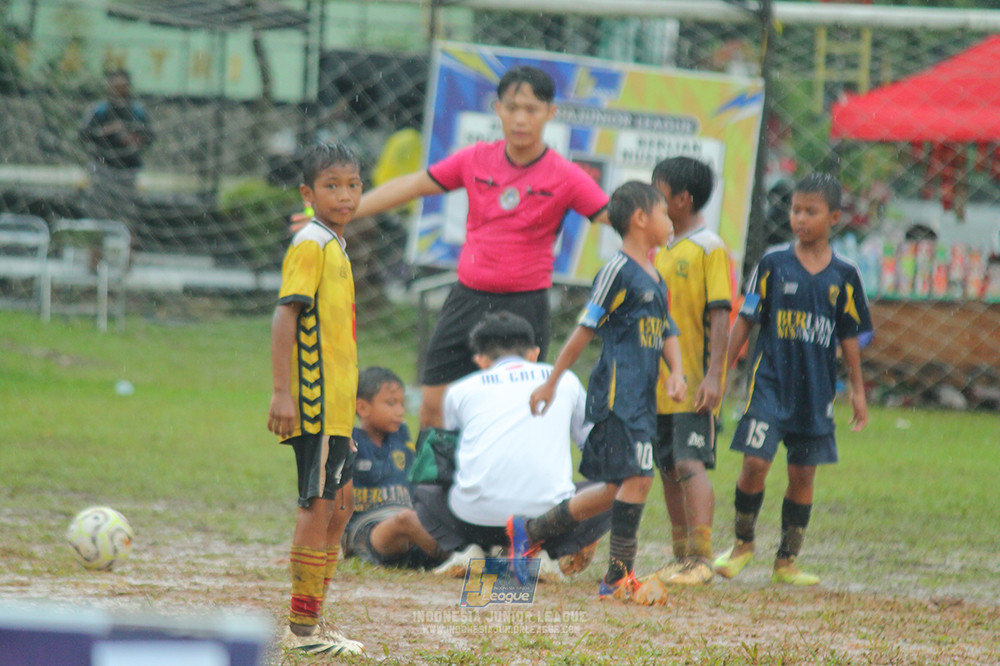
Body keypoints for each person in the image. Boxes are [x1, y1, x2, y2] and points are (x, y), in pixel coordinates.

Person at [347, 65, 610, 429]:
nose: (520, 119)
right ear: (498, 109)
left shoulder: (566, 175)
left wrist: (661, 236)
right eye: (512, 107)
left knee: (516, 415)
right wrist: (345, 212)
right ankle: (434, 469)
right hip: (467, 299)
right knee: (433, 406)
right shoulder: (474, 158)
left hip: (525, 307)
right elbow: (413, 185)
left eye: (531, 109)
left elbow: (616, 217)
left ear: (550, 112)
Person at [521, 182, 687, 606]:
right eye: (664, 213)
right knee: (639, 478)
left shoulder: (655, 276)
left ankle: (534, 531)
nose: (671, 221)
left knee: (615, 487)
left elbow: (666, 330)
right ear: (641, 219)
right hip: (617, 396)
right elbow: (585, 328)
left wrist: (677, 372)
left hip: (643, 399)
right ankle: (617, 578)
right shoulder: (617, 271)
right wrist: (552, 381)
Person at [713, 172, 873, 587]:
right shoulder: (772, 264)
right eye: (795, 210)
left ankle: (786, 561)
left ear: (833, 217)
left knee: (803, 475)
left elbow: (849, 335)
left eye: (811, 211)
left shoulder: (845, 274)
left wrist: (857, 389)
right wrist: (720, 372)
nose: (800, 218)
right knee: (754, 462)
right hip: (770, 384)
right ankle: (742, 544)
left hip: (815, 392)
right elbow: (745, 319)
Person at [413, 312, 611, 580]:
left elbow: (449, 458)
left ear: (481, 360)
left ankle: (467, 549)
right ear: (534, 353)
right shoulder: (565, 380)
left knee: (424, 490)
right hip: (549, 523)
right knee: (614, 490)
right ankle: (545, 554)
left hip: (476, 523)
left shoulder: (461, 390)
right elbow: (596, 448)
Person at [267, 143, 364, 656]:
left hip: (339, 408)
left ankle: (314, 619)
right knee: (319, 505)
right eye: (331, 186)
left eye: (352, 185)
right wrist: (282, 392)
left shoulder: (335, 244)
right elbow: (285, 314)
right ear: (308, 193)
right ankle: (302, 630)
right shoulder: (311, 243)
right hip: (315, 402)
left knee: (341, 507)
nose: (344, 195)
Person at [647, 157, 732, 586]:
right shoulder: (660, 250)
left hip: (694, 382)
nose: (651, 201)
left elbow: (720, 314)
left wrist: (715, 375)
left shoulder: (709, 247)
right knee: (667, 465)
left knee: (688, 460)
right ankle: (681, 556)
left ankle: (702, 558)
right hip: (660, 385)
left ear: (682, 199)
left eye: (657, 193)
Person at [343, 366, 447, 569]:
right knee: (406, 520)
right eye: (391, 403)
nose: (400, 411)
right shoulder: (350, 442)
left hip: (409, 524)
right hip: (369, 529)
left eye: (402, 404)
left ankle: (446, 554)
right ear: (362, 408)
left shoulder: (401, 437)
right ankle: (455, 559)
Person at [78, 69, 154, 221]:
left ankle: (125, 233)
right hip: (102, 167)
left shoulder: (137, 111)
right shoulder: (99, 110)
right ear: (109, 87)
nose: (119, 90)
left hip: (128, 169)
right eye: (115, 86)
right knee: (98, 212)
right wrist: (105, 131)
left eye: (122, 86)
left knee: (125, 213)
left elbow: (150, 137)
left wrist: (133, 139)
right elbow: (83, 134)